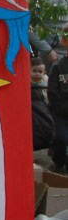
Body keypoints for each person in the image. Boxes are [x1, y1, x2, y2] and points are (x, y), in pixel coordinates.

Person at [47, 27, 68, 170]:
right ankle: (59, 164)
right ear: (64, 41)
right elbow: (52, 93)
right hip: (60, 113)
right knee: (61, 138)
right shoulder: (58, 66)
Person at [31, 56, 54, 152]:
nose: (37, 74)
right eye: (34, 71)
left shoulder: (46, 81)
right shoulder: (26, 81)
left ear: (44, 72)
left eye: (40, 72)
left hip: (45, 106)